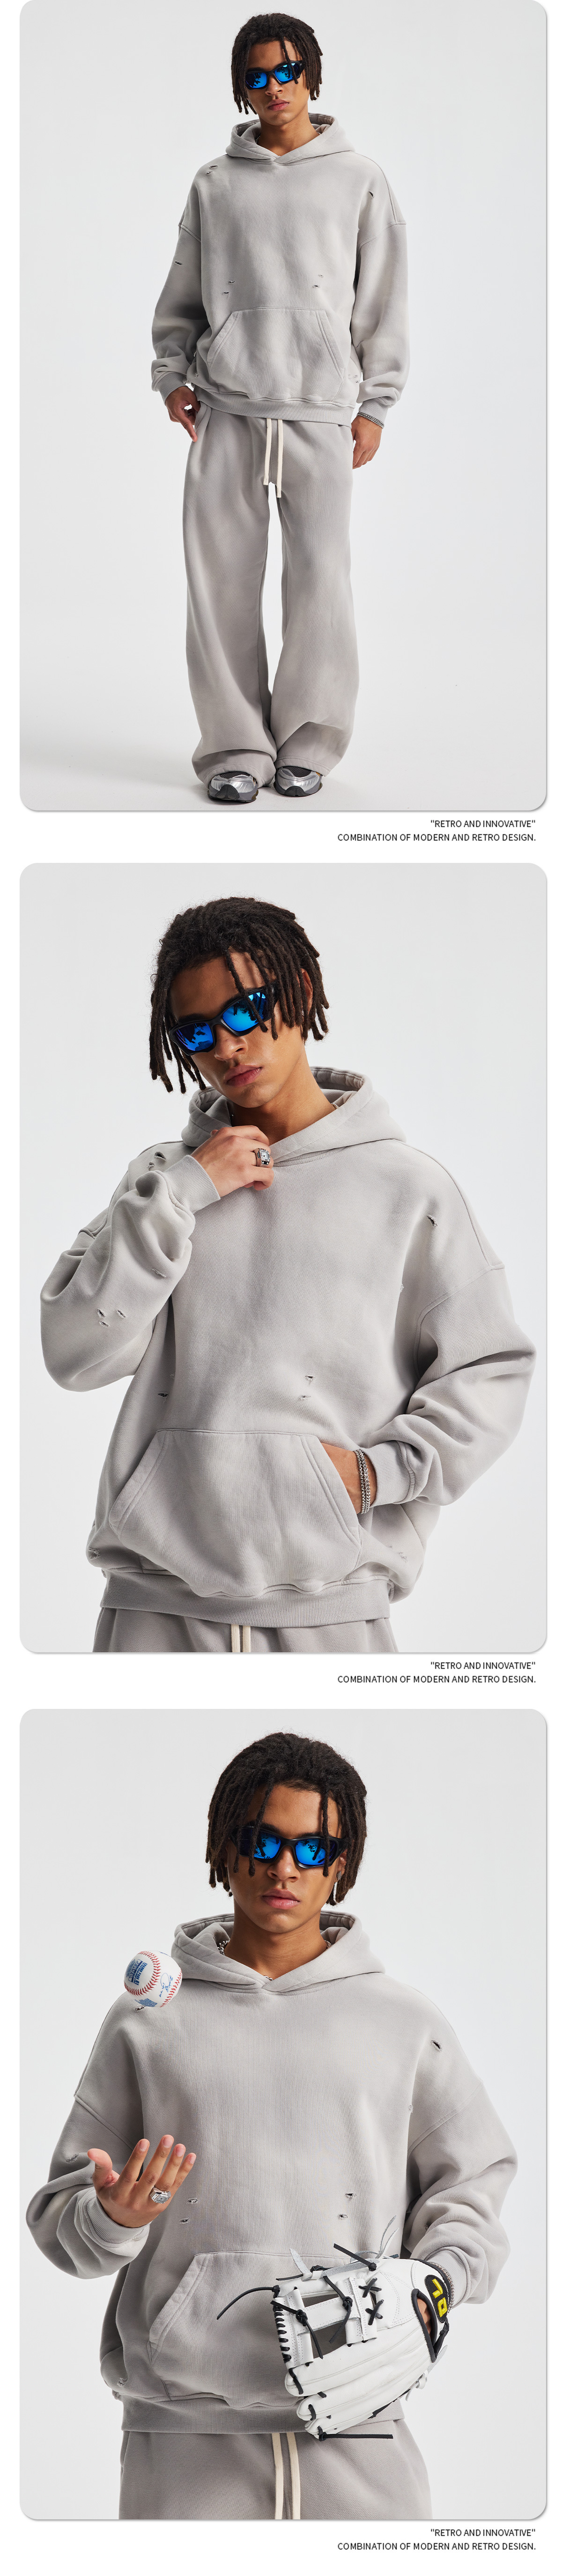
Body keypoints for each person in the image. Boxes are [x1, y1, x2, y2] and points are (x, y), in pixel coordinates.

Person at [27, 1729, 517, 2522]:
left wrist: (437, 2285)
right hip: (180, 2449)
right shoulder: (147, 2023)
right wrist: (113, 2217)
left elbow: (474, 2183)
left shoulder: (406, 2025)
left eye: (312, 1848)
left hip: (363, 2436)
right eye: (261, 1840)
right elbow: (60, 2220)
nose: (284, 1867)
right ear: (225, 1848)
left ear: (340, 1865)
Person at [40, 893, 535, 1657]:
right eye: (197, 1031)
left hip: (335, 1613)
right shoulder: (161, 1185)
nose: (227, 1044)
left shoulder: (410, 1190)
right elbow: (74, 1351)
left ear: (301, 990)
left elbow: (491, 1367)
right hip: (152, 1611)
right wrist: (186, 1193)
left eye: (245, 1009)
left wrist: (376, 1475)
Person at [151, 16, 409, 803]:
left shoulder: (359, 179)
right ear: (242, 87)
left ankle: (309, 741)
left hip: (321, 411)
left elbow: (384, 299)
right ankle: (235, 747)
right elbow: (183, 290)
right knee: (220, 585)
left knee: (321, 585)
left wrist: (377, 403)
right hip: (225, 407)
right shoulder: (214, 183)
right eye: (258, 77)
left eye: (288, 71)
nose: (275, 89)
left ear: (312, 74)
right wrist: (172, 374)